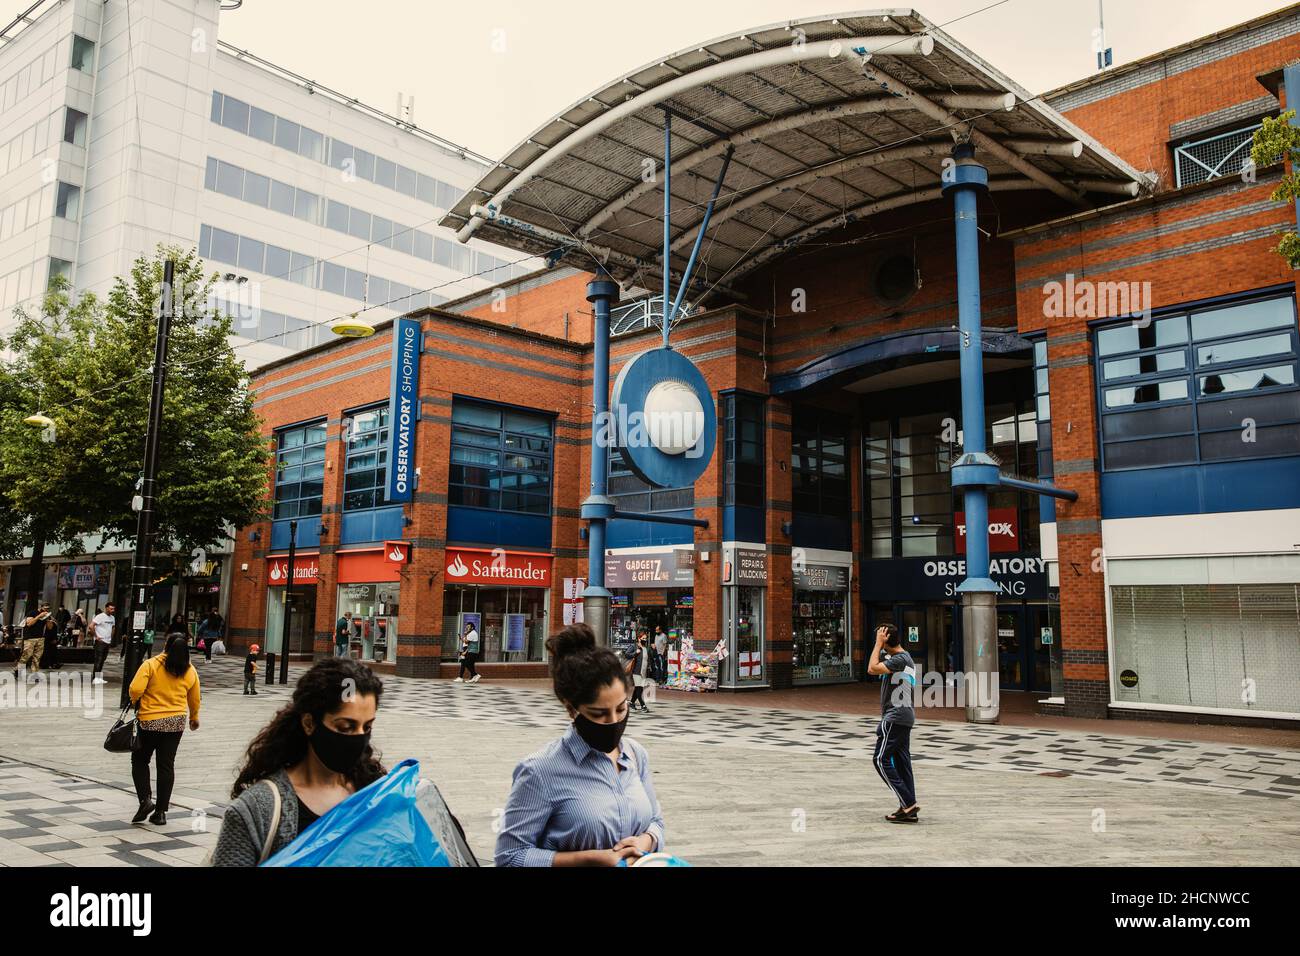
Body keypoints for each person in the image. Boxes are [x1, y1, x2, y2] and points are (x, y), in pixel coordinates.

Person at [495, 623, 665, 867]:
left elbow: (656, 822)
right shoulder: (540, 770)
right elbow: (509, 857)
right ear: (571, 708)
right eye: (598, 714)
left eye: (621, 708)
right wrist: (585, 859)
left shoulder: (636, 755)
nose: (614, 722)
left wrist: (646, 841)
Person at [211, 658, 386, 866]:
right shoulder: (256, 811)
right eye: (345, 727)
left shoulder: (378, 790)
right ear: (309, 723)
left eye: (366, 728)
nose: (358, 738)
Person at [127, 632, 201, 826]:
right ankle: (160, 812)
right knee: (166, 765)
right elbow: (194, 698)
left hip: (150, 721)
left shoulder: (151, 664)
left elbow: (135, 689)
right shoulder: (190, 670)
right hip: (176, 722)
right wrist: (194, 717)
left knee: (140, 760)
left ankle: (145, 800)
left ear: (165, 645)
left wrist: (136, 701)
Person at [867, 624, 919, 823]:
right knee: (902, 763)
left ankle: (908, 803)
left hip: (896, 716)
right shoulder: (903, 658)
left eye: (881, 639)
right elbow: (879, 662)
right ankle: (908, 808)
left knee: (880, 760)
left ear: (886, 641)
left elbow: (871, 668)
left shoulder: (900, 659)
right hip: (903, 717)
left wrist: (878, 643)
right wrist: (882, 644)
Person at [15, 603, 53, 681]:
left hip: (40, 638)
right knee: (26, 655)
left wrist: (48, 619)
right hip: (30, 638)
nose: (47, 610)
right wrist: (39, 616)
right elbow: (29, 624)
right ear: (41, 607)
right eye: (45, 608)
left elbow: (50, 628)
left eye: (48, 608)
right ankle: (18, 670)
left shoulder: (47, 616)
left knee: (37, 657)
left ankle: (34, 675)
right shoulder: (32, 613)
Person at [91, 604, 116, 684]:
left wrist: (111, 637)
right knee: (98, 659)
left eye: (113, 609)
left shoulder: (112, 618)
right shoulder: (100, 616)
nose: (112, 610)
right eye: (111, 609)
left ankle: (98, 677)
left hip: (107, 641)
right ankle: (95, 678)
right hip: (100, 641)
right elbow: (91, 626)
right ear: (106, 608)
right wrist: (96, 636)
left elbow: (113, 627)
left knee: (102, 660)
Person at [629, 632, 652, 713]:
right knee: (639, 689)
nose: (645, 640)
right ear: (639, 638)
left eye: (646, 638)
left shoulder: (646, 648)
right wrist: (636, 652)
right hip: (636, 671)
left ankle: (631, 703)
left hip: (643, 672)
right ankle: (643, 706)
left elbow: (648, 659)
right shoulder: (634, 646)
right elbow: (627, 654)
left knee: (638, 688)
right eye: (643, 638)